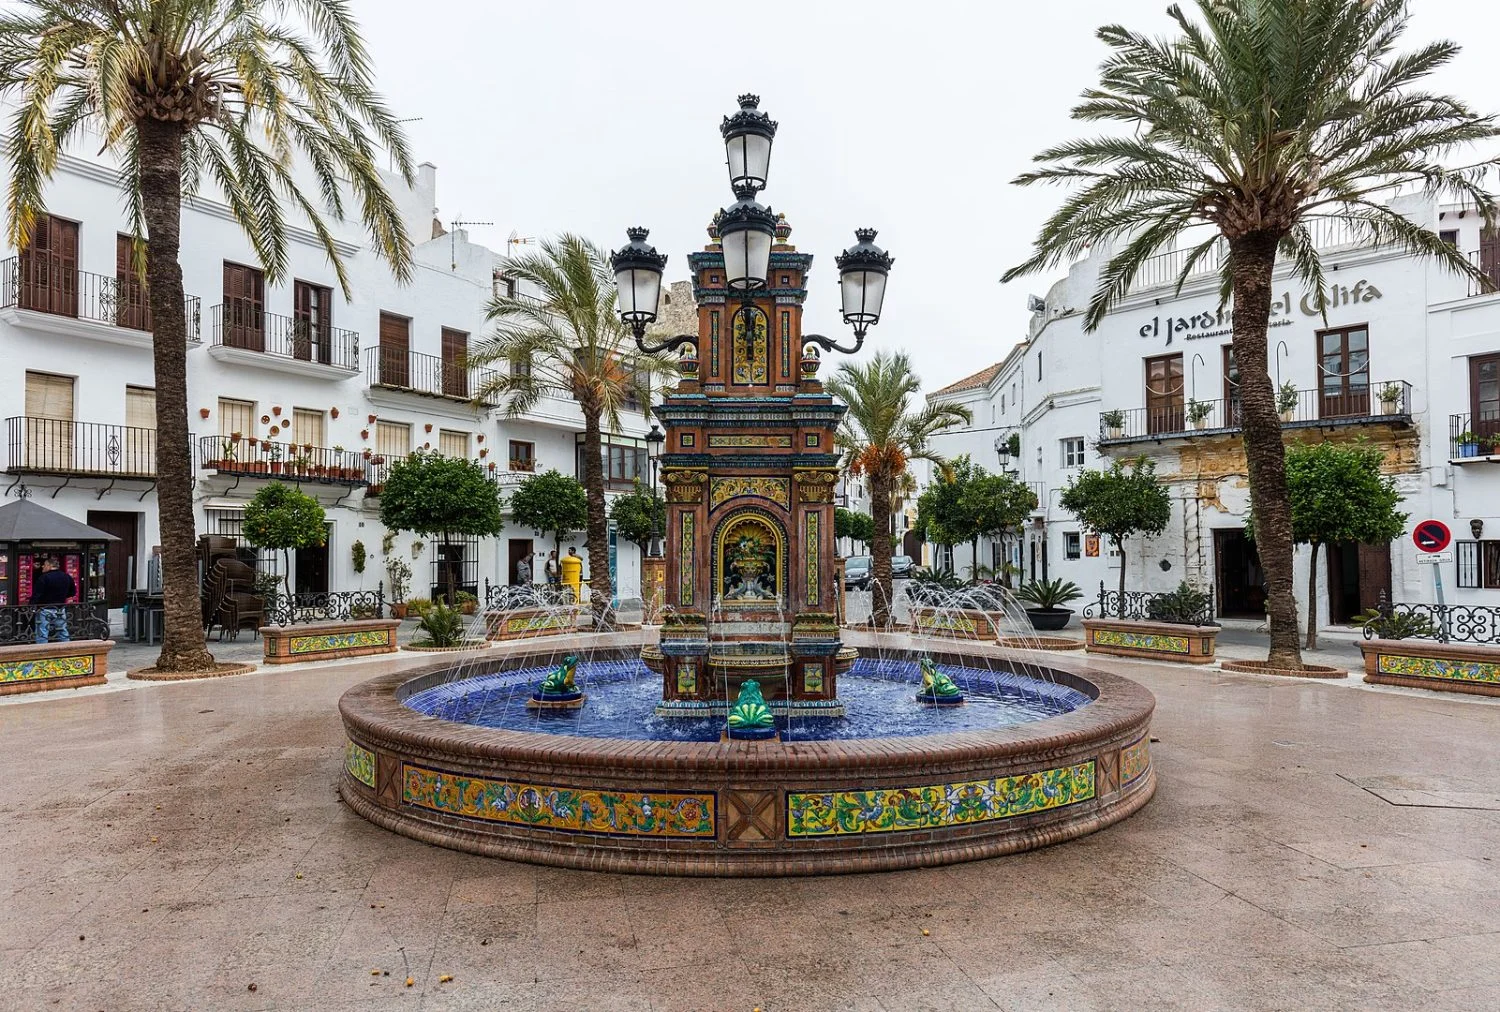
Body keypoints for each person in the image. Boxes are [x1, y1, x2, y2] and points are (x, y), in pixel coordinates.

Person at [33, 555, 76, 644]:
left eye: (44, 565)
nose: (42, 567)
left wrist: (32, 605)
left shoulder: (43, 578)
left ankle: (42, 652)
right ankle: (67, 650)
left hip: (44, 608)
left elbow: (37, 594)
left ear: (49, 566)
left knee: (42, 633)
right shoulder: (66, 576)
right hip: (60, 608)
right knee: (62, 631)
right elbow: (72, 592)